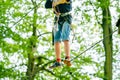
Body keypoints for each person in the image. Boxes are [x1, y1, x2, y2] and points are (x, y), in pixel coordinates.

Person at [45, 0, 72, 68]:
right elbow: (47, 5)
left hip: (66, 17)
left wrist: (57, 2)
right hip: (57, 19)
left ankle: (68, 58)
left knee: (65, 36)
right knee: (56, 40)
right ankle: (58, 61)